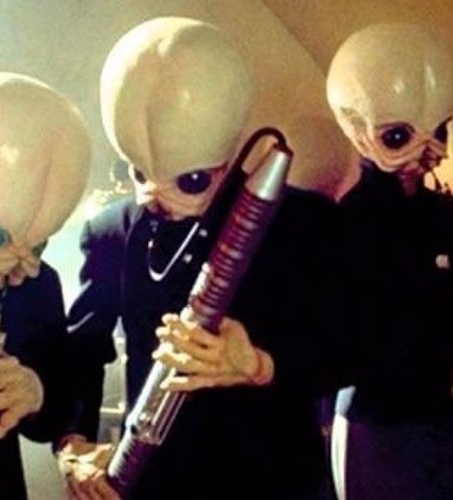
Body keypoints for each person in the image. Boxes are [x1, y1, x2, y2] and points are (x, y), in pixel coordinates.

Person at [56, 16, 353, 500]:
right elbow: (82, 353)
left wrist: (262, 365)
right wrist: (72, 445)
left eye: (191, 181)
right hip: (157, 486)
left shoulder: (303, 222)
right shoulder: (111, 232)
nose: (157, 199)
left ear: (232, 150)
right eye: (139, 174)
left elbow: (352, 346)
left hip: (275, 485)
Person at [324, 23, 453, 500]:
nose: (428, 150)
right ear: (359, 132)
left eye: (440, 131)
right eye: (399, 136)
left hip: (434, 414)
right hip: (378, 425)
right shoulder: (347, 222)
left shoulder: (442, 214)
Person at [0, 71, 91, 499]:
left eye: (37, 243)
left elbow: (60, 407)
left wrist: (36, 391)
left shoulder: (38, 282)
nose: (12, 268)